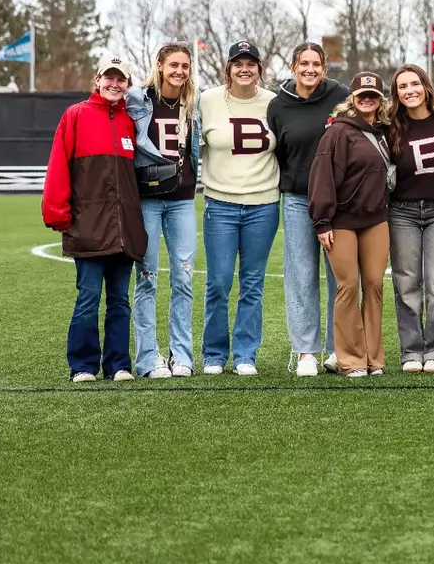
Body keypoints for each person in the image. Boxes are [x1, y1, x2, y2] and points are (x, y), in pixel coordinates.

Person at [43, 56, 149, 382]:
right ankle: (84, 366)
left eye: (121, 80)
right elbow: (58, 164)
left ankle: (118, 365)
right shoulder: (75, 115)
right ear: (97, 79)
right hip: (88, 227)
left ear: (128, 85)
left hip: (124, 229)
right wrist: (57, 212)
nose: (114, 85)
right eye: (109, 78)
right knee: (88, 298)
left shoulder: (133, 121)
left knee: (120, 300)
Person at [197, 40, 281, 376]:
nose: (244, 69)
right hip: (220, 204)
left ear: (260, 69)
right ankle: (214, 354)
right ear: (227, 68)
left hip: (263, 204)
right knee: (217, 283)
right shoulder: (207, 100)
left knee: (253, 283)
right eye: (237, 63)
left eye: (251, 63)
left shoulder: (275, 103)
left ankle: (246, 354)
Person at [267, 42, 349, 376]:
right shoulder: (278, 105)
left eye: (316, 64)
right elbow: (278, 152)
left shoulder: (340, 96)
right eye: (304, 63)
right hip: (299, 200)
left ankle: (336, 348)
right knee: (301, 275)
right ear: (293, 66)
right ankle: (305, 352)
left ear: (324, 68)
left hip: (338, 201)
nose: (310, 69)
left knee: (338, 276)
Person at [309, 72, 393, 378]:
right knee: (348, 287)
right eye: (362, 95)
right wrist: (323, 221)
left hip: (376, 220)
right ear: (352, 99)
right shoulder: (337, 132)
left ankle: (374, 358)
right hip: (342, 221)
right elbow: (322, 178)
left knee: (374, 285)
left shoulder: (386, 131)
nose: (367, 99)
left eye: (373, 95)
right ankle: (351, 359)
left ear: (381, 100)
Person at [125, 42, 201, 378]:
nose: (179, 72)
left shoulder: (192, 105)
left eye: (185, 66)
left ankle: (181, 356)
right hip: (148, 199)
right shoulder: (139, 100)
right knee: (147, 280)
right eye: (173, 65)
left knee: (184, 278)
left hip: (183, 199)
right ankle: (148, 358)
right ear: (159, 65)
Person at [388, 64, 434, 374]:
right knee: (406, 283)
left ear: (426, 86)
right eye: (402, 86)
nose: (409, 90)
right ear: (396, 93)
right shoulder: (390, 125)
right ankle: (411, 352)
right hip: (401, 212)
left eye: (414, 83)